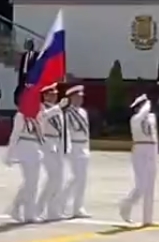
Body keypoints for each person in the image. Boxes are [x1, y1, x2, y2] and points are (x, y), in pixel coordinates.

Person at [4, 93, 68, 223]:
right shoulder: (21, 116)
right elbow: (15, 135)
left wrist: (49, 146)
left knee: (32, 182)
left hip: (36, 149)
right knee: (31, 182)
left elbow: (43, 123)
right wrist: (9, 154)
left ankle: (18, 208)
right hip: (24, 148)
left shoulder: (38, 115)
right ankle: (28, 213)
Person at [119, 94, 159, 226]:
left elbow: (154, 134)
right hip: (139, 149)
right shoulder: (135, 119)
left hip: (151, 149)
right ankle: (125, 205)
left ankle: (148, 219)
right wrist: (146, 104)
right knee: (141, 185)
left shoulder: (152, 117)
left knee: (150, 187)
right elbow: (143, 114)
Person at [36, 83, 69, 220]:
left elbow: (62, 129)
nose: (55, 96)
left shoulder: (58, 110)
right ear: (45, 95)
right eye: (52, 94)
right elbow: (42, 118)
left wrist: (67, 146)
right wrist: (57, 107)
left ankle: (53, 210)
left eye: (55, 94)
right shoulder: (41, 107)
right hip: (47, 143)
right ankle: (39, 207)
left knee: (59, 179)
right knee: (52, 177)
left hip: (58, 143)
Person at [63, 85, 90, 218]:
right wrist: (67, 149)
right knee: (74, 178)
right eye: (77, 97)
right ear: (71, 98)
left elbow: (86, 133)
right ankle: (62, 202)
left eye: (81, 97)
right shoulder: (67, 113)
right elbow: (66, 132)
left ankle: (78, 207)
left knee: (82, 179)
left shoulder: (83, 112)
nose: (80, 99)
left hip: (83, 146)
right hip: (73, 146)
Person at [15, 39, 38, 106]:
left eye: (29, 44)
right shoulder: (24, 55)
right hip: (24, 77)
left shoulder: (37, 55)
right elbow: (21, 68)